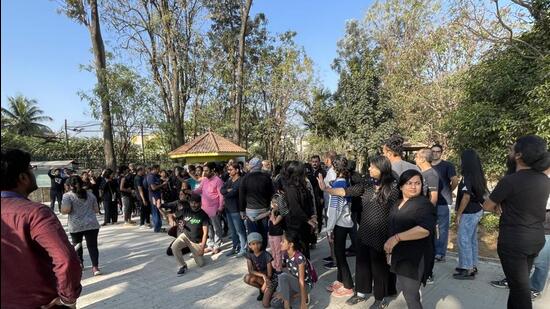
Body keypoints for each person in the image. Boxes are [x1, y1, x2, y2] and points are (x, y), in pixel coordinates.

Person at [1, 148, 82, 309]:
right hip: (41, 303)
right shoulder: (35, 213)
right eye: (31, 169)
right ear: (23, 177)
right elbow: (65, 259)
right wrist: (68, 299)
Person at [320, 156, 399, 307]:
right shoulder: (367, 184)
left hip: (381, 234)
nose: (369, 169)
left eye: (372, 167)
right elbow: (346, 191)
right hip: (364, 231)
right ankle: (361, 292)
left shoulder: (393, 188)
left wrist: (393, 238)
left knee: (379, 268)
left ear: (382, 168)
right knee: (362, 264)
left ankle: (379, 298)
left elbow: (396, 215)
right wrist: (326, 189)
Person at [483, 135, 550, 309]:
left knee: (520, 290)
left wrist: (498, 204)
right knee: (517, 286)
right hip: (536, 238)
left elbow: (487, 206)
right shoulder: (544, 180)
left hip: (515, 242)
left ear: (519, 155)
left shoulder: (510, 181)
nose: (509, 152)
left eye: (512, 149)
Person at [490, 169, 550, 300]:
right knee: (520, 265)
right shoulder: (534, 179)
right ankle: (513, 281)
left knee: (541, 263)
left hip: (544, 228)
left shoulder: (544, 181)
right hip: (528, 228)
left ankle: (534, 288)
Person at [383, 169, 436, 309]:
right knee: (403, 288)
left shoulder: (424, 205)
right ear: (401, 186)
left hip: (414, 258)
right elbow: (392, 227)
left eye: (417, 183)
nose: (413, 186)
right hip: (399, 256)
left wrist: (397, 238)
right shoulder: (397, 204)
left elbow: (424, 230)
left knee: (411, 297)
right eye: (409, 183)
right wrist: (389, 253)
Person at [321, 156, 355, 298]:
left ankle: (348, 286)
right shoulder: (345, 181)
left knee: (340, 256)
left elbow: (335, 209)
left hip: (340, 224)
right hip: (345, 222)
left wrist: (329, 228)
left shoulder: (338, 184)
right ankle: (341, 281)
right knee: (339, 253)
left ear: (335, 168)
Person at [453, 149, 487, 280]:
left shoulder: (468, 177)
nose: (460, 161)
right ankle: (471, 265)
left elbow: (466, 197)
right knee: (471, 240)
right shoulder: (478, 175)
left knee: (463, 239)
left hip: (469, 212)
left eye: (462, 159)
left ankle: (467, 269)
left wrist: (458, 215)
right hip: (476, 211)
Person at [61, 175, 102, 276]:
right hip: (91, 224)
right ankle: (95, 267)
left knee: (77, 245)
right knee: (92, 246)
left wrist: (62, 209)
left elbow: (66, 210)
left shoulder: (67, 196)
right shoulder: (91, 194)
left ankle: (80, 264)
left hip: (76, 225)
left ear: (70, 186)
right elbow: (96, 210)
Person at [431, 143, 459, 262]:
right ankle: (431, 250)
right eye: (433, 151)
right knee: (430, 228)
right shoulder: (427, 166)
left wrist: (448, 191)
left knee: (443, 229)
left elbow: (455, 181)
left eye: (438, 151)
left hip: (443, 201)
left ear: (441, 153)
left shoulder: (448, 165)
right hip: (430, 202)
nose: (435, 153)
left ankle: (440, 253)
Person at [283, 161, 317, 259]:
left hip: (305, 224)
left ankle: (307, 271)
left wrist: (313, 215)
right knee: (298, 253)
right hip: (295, 225)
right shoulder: (290, 188)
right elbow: (295, 208)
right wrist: (308, 220)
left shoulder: (303, 185)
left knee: (305, 250)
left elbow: (310, 200)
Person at [239, 157, 275, 250]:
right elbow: (272, 193)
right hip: (264, 210)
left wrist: (242, 211)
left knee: (252, 234)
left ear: (251, 166)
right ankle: (263, 251)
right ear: (260, 166)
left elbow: (242, 196)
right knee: (263, 232)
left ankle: (254, 255)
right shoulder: (266, 178)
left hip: (250, 212)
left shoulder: (245, 178)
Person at [272, 231, 314, 309]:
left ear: (291, 244)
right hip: (295, 283)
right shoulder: (286, 254)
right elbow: (290, 273)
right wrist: (283, 292)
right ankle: (295, 295)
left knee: (282, 276)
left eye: (283, 241)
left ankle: (288, 305)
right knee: (275, 303)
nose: (280, 243)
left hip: (305, 285)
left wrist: (303, 303)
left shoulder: (299, 258)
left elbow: (301, 281)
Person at [170, 193, 209, 275]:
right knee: (174, 247)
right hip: (185, 236)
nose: (193, 205)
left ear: (200, 203)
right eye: (191, 202)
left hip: (195, 241)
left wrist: (202, 248)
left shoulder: (203, 215)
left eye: (195, 203)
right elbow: (171, 215)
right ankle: (182, 266)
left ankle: (195, 253)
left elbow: (205, 233)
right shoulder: (186, 210)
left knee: (201, 264)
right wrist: (172, 220)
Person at [192, 162, 224, 254]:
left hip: (214, 209)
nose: (204, 173)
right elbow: (199, 190)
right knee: (208, 228)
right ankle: (210, 244)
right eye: (204, 170)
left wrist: (220, 207)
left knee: (216, 228)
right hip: (204, 209)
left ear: (212, 170)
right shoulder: (205, 179)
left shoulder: (218, 180)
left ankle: (217, 245)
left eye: (206, 171)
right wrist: (191, 192)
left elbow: (221, 195)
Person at [221, 162, 247, 258]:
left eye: (231, 169)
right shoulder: (229, 180)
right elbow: (222, 190)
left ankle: (243, 248)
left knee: (240, 230)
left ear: (236, 170)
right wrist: (227, 191)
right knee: (233, 231)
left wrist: (227, 192)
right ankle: (235, 247)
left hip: (236, 209)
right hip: (228, 209)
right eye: (228, 169)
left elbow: (233, 193)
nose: (229, 171)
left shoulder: (241, 180)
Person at [244, 232, 276, 307]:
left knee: (265, 304)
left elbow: (270, 274)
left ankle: (272, 291)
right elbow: (250, 271)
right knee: (247, 278)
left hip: (270, 279)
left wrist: (266, 281)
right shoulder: (249, 255)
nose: (256, 246)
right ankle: (263, 291)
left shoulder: (266, 255)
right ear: (249, 245)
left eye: (258, 243)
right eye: (253, 244)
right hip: (263, 278)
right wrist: (263, 276)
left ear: (261, 243)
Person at [322, 151, 338, 268]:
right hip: (329, 205)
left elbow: (331, 189)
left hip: (332, 207)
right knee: (330, 234)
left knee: (331, 234)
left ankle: (335, 260)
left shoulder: (333, 172)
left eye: (325, 159)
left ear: (329, 159)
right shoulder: (331, 171)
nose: (324, 161)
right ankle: (333, 256)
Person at [147, 165, 168, 232]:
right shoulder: (151, 176)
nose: (159, 171)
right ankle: (157, 228)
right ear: (154, 169)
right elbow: (153, 187)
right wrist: (162, 185)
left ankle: (159, 227)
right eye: (158, 169)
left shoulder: (156, 176)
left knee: (158, 211)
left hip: (158, 196)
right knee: (155, 212)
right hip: (153, 196)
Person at [269, 193, 286, 273]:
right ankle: (274, 265)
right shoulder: (271, 212)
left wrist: (272, 212)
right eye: (273, 203)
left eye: (275, 203)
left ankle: (279, 268)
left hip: (277, 235)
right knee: (273, 251)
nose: (274, 205)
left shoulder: (280, 214)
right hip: (271, 234)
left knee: (278, 252)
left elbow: (274, 222)